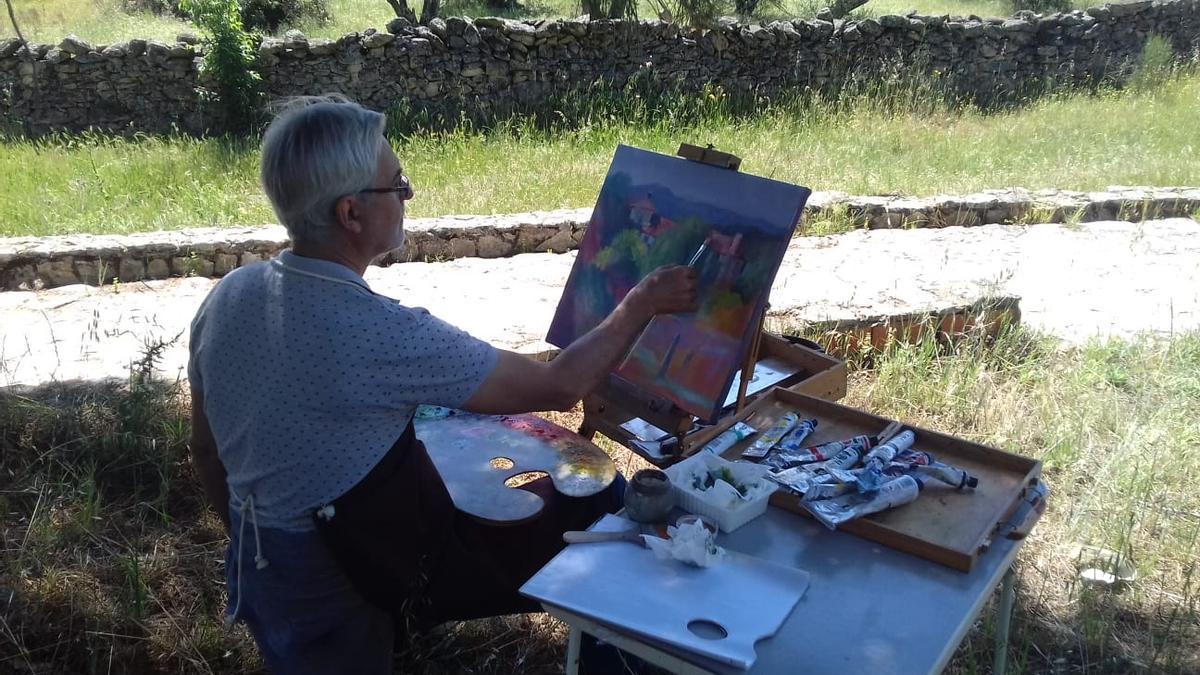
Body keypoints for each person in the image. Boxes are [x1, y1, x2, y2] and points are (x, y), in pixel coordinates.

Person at [186, 95, 698, 674]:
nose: (408, 196)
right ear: (351, 214)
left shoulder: (231, 293)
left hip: (260, 561)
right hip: (334, 575)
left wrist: (249, 540)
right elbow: (559, 386)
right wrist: (642, 303)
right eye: (397, 183)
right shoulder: (378, 333)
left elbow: (206, 449)